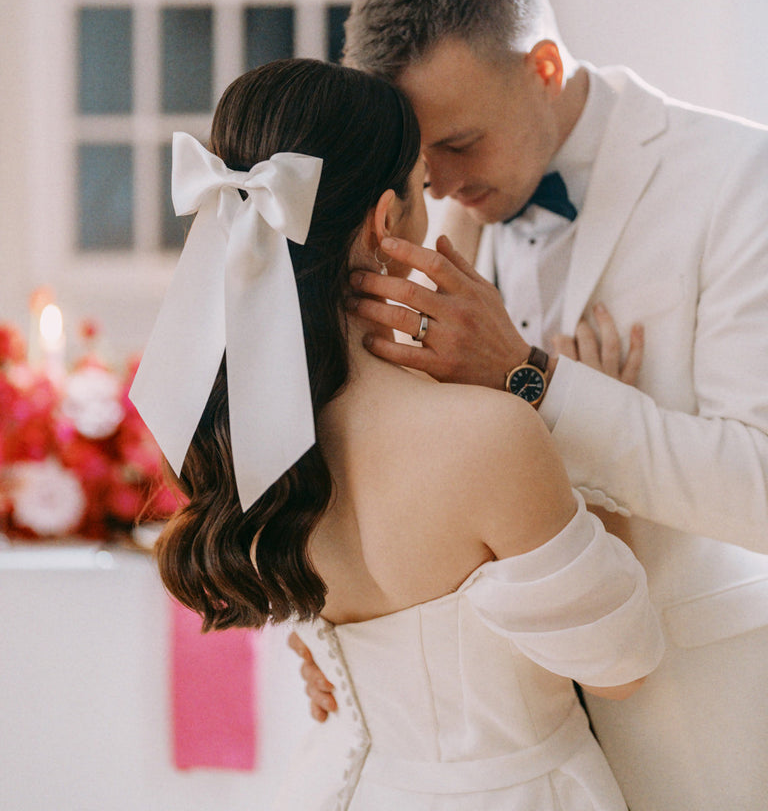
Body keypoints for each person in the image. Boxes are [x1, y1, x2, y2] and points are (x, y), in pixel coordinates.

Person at [296, 0, 768, 810]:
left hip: (697, 724)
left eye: (461, 143)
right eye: (417, 157)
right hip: (512, 750)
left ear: (543, 67)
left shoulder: (741, 180)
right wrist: (329, 633)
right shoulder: (430, 216)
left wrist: (533, 381)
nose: (433, 185)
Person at [129, 58, 663, 810]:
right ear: (386, 222)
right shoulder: (488, 435)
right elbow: (623, 664)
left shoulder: (244, 438)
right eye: (420, 186)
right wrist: (588, 420)